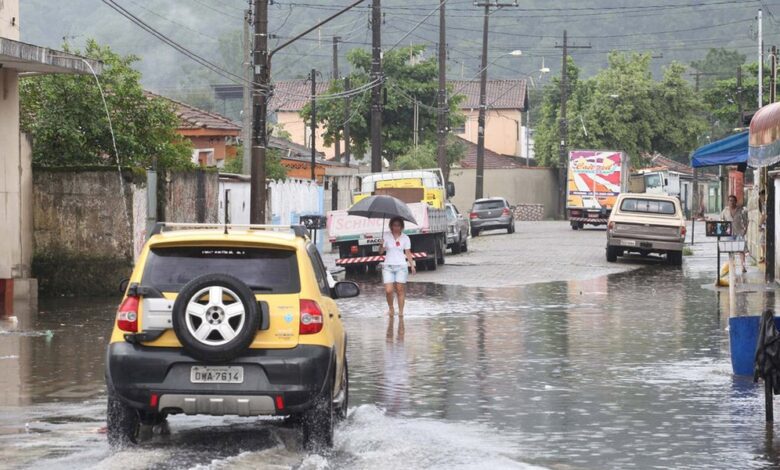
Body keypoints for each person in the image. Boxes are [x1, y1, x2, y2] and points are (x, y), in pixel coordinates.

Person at [378, 217, 416, 316]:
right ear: (391, 226)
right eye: (394, 225)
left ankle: (401, 312)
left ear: (401, 226)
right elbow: (381, 252)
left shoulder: (405, 238)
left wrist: (412, 265)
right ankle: (391, 308)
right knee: (388, 290)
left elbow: (408, 252)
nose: (396, 227)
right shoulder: (386, 236)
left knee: (400, 290)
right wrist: (381, 245)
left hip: (401, 267)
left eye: (398, 225)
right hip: (388, 267)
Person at [721, 194, 748, 273]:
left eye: (733, 200)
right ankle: (732, 266)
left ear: (736, 202)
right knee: (730, 250)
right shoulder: (725, 211)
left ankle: (743, 266)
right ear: (728, 202)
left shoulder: (741, 210)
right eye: (730, 200)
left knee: (741, 250)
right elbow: (721, 220)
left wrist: (745, 230)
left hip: (739, 232)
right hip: (729, 233)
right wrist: (724, 230)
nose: (731, 202)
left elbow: (746, 221)